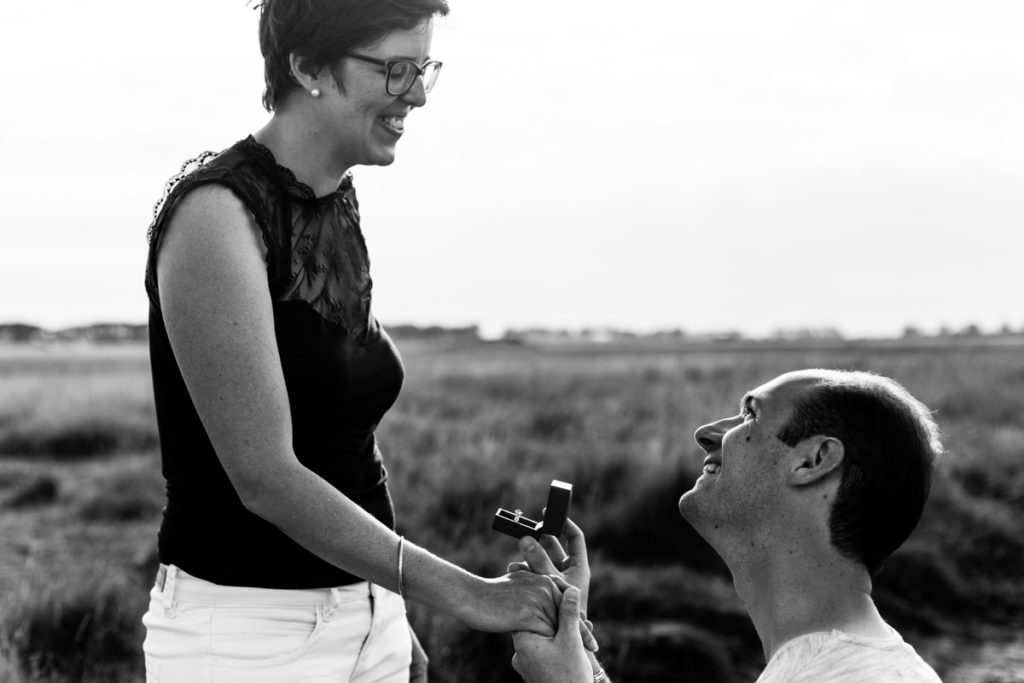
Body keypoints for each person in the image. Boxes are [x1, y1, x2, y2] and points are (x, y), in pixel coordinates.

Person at [140, 1, 565, 680]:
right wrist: (470, 595)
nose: (418, 95)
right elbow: (266, 478)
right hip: (247, 641)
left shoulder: (335, 197)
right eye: (396, 69)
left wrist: (384, 610)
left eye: (423, 67)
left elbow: (344, 446)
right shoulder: (214, 219)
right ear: (307, 66)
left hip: (365, 620)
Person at [511, 369, 944, 682]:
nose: (706, 433)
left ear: (813, 461)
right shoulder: (833, 665)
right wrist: (584, 669)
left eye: (750, 415)